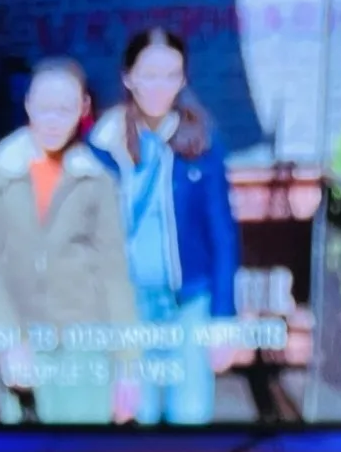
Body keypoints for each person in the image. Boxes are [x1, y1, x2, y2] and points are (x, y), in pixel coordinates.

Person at [0, 58, 137, 425]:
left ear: (83, 108)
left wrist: (128, 365)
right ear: (28, 104)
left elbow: (113, 271)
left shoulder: (97, 177)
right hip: (22, 339)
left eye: (65, 109)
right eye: (44, 108)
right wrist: (9, 339)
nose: (53, 120)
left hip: (84, 344)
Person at [91, 28, 239, 427]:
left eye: (171, 75)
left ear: (183, 79)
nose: (160, 87)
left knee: (189, 415)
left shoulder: (201, 141)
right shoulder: (103, 144)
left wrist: (224, 318)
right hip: (129, 305)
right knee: (139, 417)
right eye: (149, 75)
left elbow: (222, 233)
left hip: (188, 300)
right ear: (128, 77)